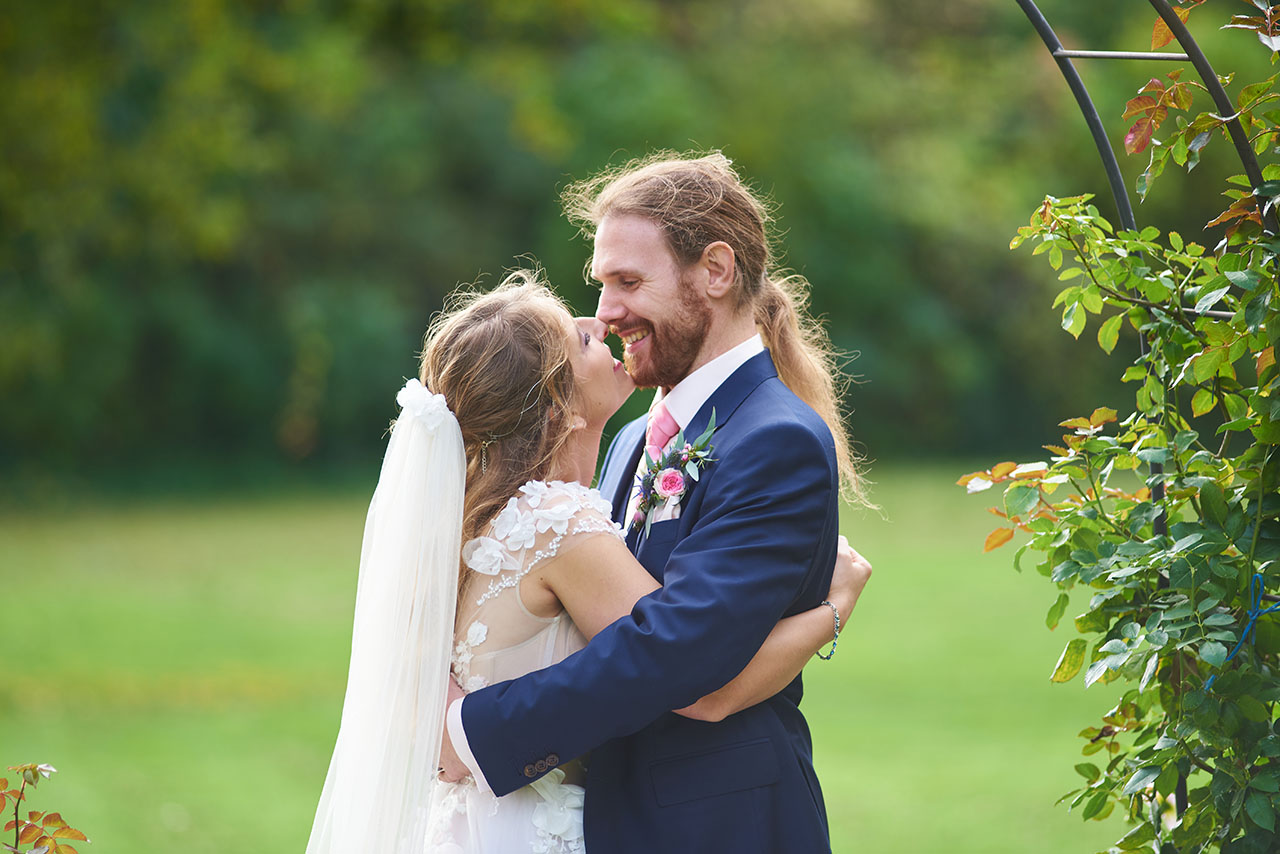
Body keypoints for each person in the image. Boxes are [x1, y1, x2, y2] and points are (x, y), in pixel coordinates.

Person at [304, 272, 872, 854]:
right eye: (579, 340)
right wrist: (832, 608)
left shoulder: (471, 517)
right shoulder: (559, 523)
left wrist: (450, 732)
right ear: (560, 410)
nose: (598, 320)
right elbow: (696, 677)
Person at [439, 152, 869, 853]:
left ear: (717, 272)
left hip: (719, 826)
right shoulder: (634, 434)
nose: (607, 312)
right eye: (603, 283)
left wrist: (478, 731)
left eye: (629, 281)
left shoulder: (776, 440)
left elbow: (681, 661)